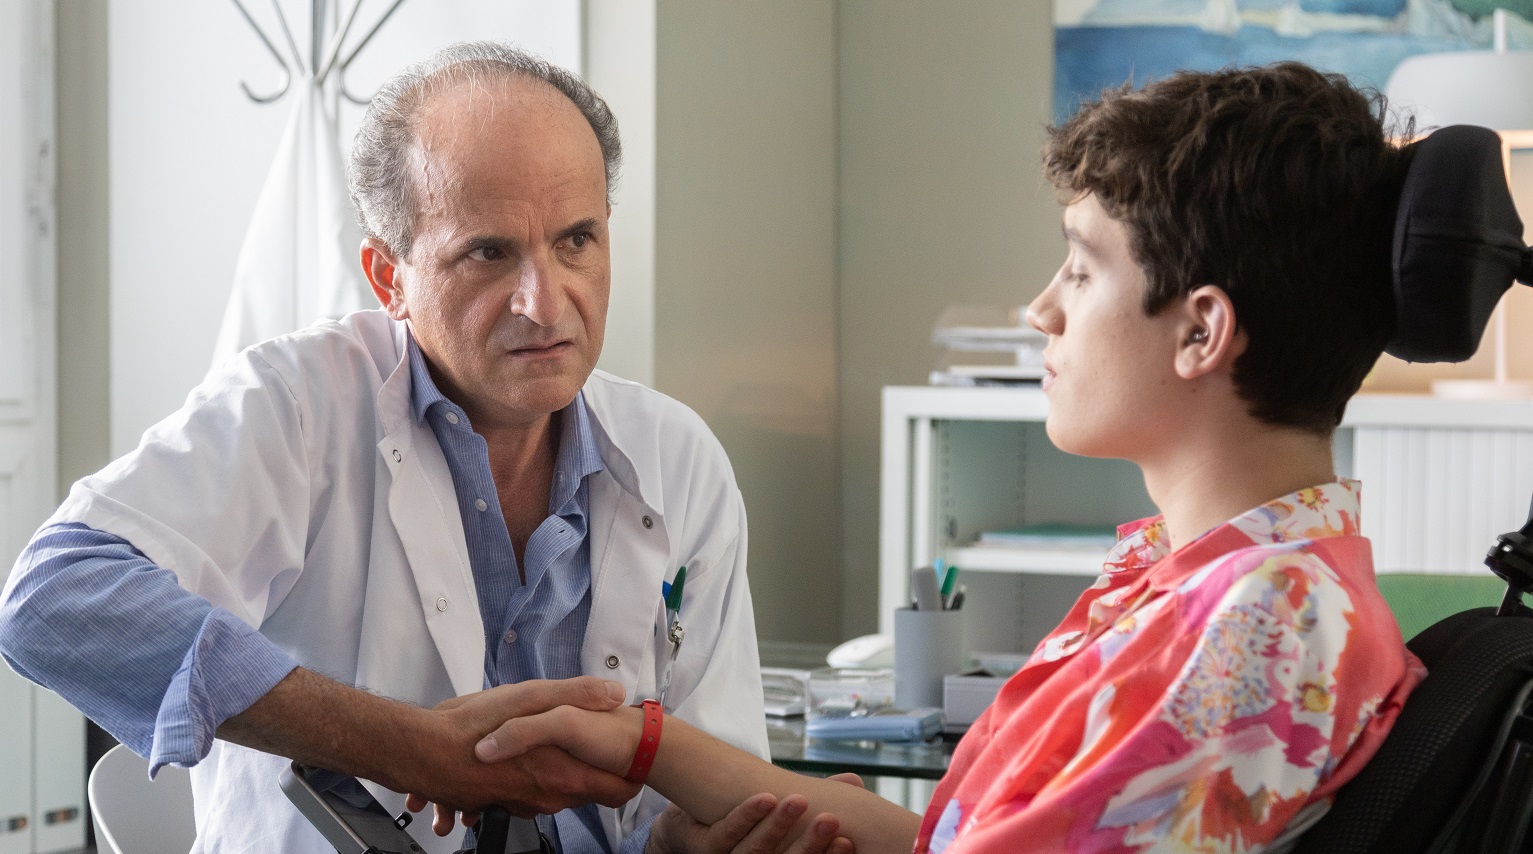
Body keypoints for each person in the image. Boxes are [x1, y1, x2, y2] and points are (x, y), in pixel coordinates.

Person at [450, 62, 1433, 853]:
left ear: (1200, 332)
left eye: (1081, 269)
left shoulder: (1266, 625)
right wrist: (636, 745)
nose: (1041, 309)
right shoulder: (1195, 581)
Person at [0, 42, 829, 854]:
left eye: (576, 240)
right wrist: (402, 747)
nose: (546, 304)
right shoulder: (295, 404)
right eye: (488, 252)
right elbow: (52, 599)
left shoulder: (677, 456)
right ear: (388, 278)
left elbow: (698, 779)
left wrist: (696, 836)